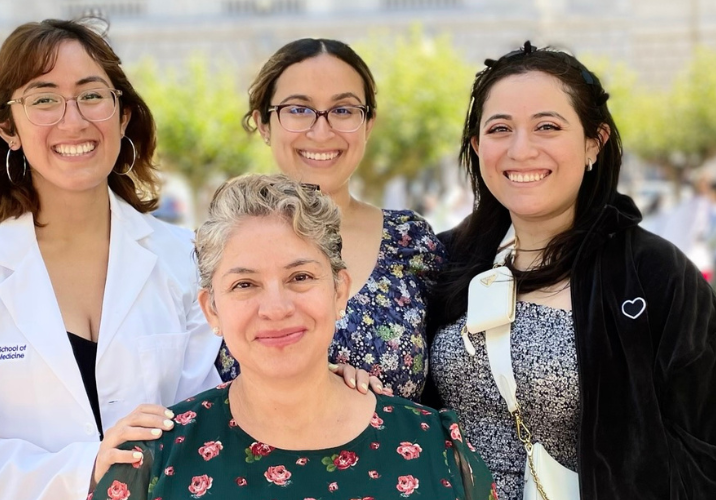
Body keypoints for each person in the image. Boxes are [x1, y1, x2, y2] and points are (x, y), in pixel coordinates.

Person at [0, 18, 221, 500]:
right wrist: (87, 468)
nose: (74, 120)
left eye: (92, 95)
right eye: (43, 99)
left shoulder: (186, 259)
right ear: (7, 127)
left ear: (122, 115)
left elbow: (219, 416)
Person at [426, 42, 716, 499]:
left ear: (593, 143)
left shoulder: (653, 274)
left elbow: (703, 447)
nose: (521, 150)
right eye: (500, 129)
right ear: (478, 147)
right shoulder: (445, 261)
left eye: (547, 126)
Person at [93, 173, 496, 500]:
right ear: (211, 309)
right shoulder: (152, 463)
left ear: (339, 291)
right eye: (245, 284)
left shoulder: (438, 451)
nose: (276, 307)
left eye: (300, 277)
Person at [216, 38, 446, 401]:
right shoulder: (221, 247)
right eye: (298, 110)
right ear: (263, 123)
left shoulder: (411, 243)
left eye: (343, 110)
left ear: (368, 123)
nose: (321, 131)